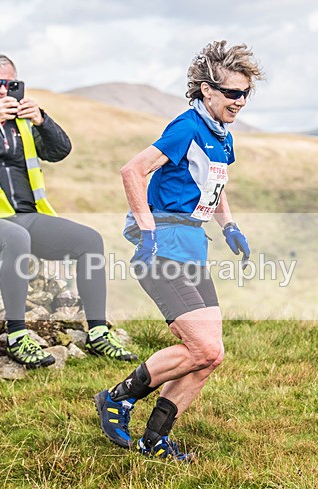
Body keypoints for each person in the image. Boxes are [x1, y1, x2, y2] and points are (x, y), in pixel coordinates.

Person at [94, 41, 263, 459]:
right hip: (164, 248)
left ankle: (155, 440)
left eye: (245, 93)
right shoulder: (187, 126)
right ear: (207, 90)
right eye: (231, 93)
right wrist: (147, 231)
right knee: (202, 348)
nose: (239, 101)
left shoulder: (222, 137)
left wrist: (230, 226)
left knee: (210, 357)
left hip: (192, 249)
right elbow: (132, 170)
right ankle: (117, 399)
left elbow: (214, 186)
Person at [0, 53, 136, 368]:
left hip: (28, 217)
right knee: (15, 237)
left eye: (10, 84)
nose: (2, 90)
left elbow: (61, 150)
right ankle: (18, 336)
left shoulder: (24, 124)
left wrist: (42, 120)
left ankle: (98, 332)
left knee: (90, 241)